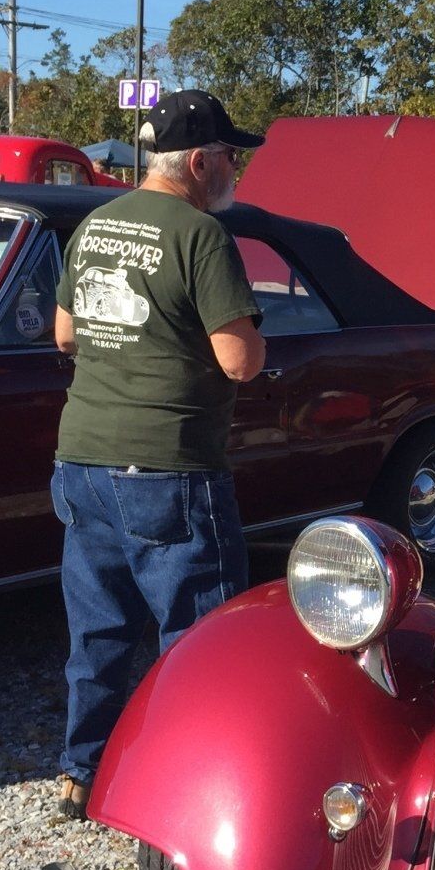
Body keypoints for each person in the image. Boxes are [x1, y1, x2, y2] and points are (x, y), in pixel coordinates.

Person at [50, 90, 267, 820]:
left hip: (81, 460)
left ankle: (82, 775)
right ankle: (195, 790)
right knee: (203, 637)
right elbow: (239, 360)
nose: (235, 167)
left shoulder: (95, 224)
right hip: (168, 467)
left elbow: (65, 336)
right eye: (231, 155)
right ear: (199, 161)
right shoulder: (201, 235)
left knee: (100, 627)